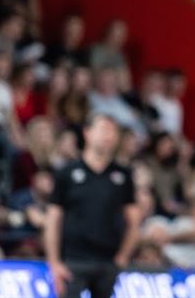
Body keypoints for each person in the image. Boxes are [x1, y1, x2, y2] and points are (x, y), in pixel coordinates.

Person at [44, 112, 141, 298]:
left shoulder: (123, 175)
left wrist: (123, 257)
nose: (109, 136)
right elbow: (53, 219)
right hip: (73, 261)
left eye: (114, 132)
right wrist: (54, 262)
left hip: (107, 262)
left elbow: (134, 221)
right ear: (87, 133)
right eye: (104, 129)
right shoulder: (67, 172)